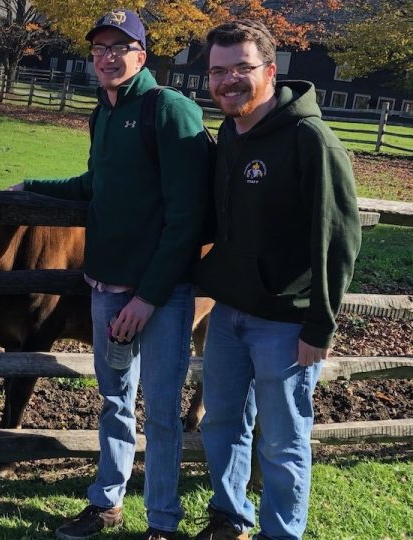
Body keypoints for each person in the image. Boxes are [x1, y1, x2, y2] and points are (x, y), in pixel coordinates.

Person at [10, 9, 211, 540]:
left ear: (141, 56)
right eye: (99, 48)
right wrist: (26, 187)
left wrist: (148, 295)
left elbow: (188, 217)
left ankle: (164, 522)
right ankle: (107, 503)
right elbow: (93, 185)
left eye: (119, 47)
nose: (107, 56)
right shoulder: (103, 112)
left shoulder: (169, 110)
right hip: (106, 290)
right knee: (116, 401)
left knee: (163, 410)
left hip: (161, 296)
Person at [192, 20, 360, 540]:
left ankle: (281, 533)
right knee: (221, 423)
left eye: (241, 67)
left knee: (283, 439)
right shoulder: (228, 131)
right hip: (229, 315)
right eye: (218, 71)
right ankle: (230, 516)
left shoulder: (311, 141)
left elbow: (337, 239)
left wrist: (320, 326)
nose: (228, 80)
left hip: (286, 325)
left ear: (270, 70)